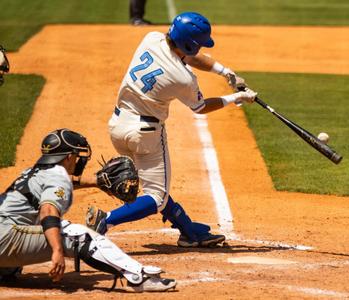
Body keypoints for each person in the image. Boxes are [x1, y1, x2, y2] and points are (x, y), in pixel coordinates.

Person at [86, 12, 257, 248]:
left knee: (156, 185)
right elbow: (200, 107)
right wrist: (235, 97)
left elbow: (186, 55)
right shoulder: (183, 79)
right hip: (145, 134)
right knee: (156, 197)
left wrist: (224, 71)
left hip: (117, 126)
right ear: (190, 44)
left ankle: (189, 231)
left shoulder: (152, 37)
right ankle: (105, 221)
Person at [0, 128, 176, 292]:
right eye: (77, 156)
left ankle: (5, 268)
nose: (78, 160)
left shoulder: (31, 173)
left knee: (29, 218)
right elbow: (48, 211)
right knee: (78, 235)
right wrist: (57, 250)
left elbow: (63, 183)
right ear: (68, 157)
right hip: (5, 239)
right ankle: (139, 277)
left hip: (4, 234)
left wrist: (96, 181)